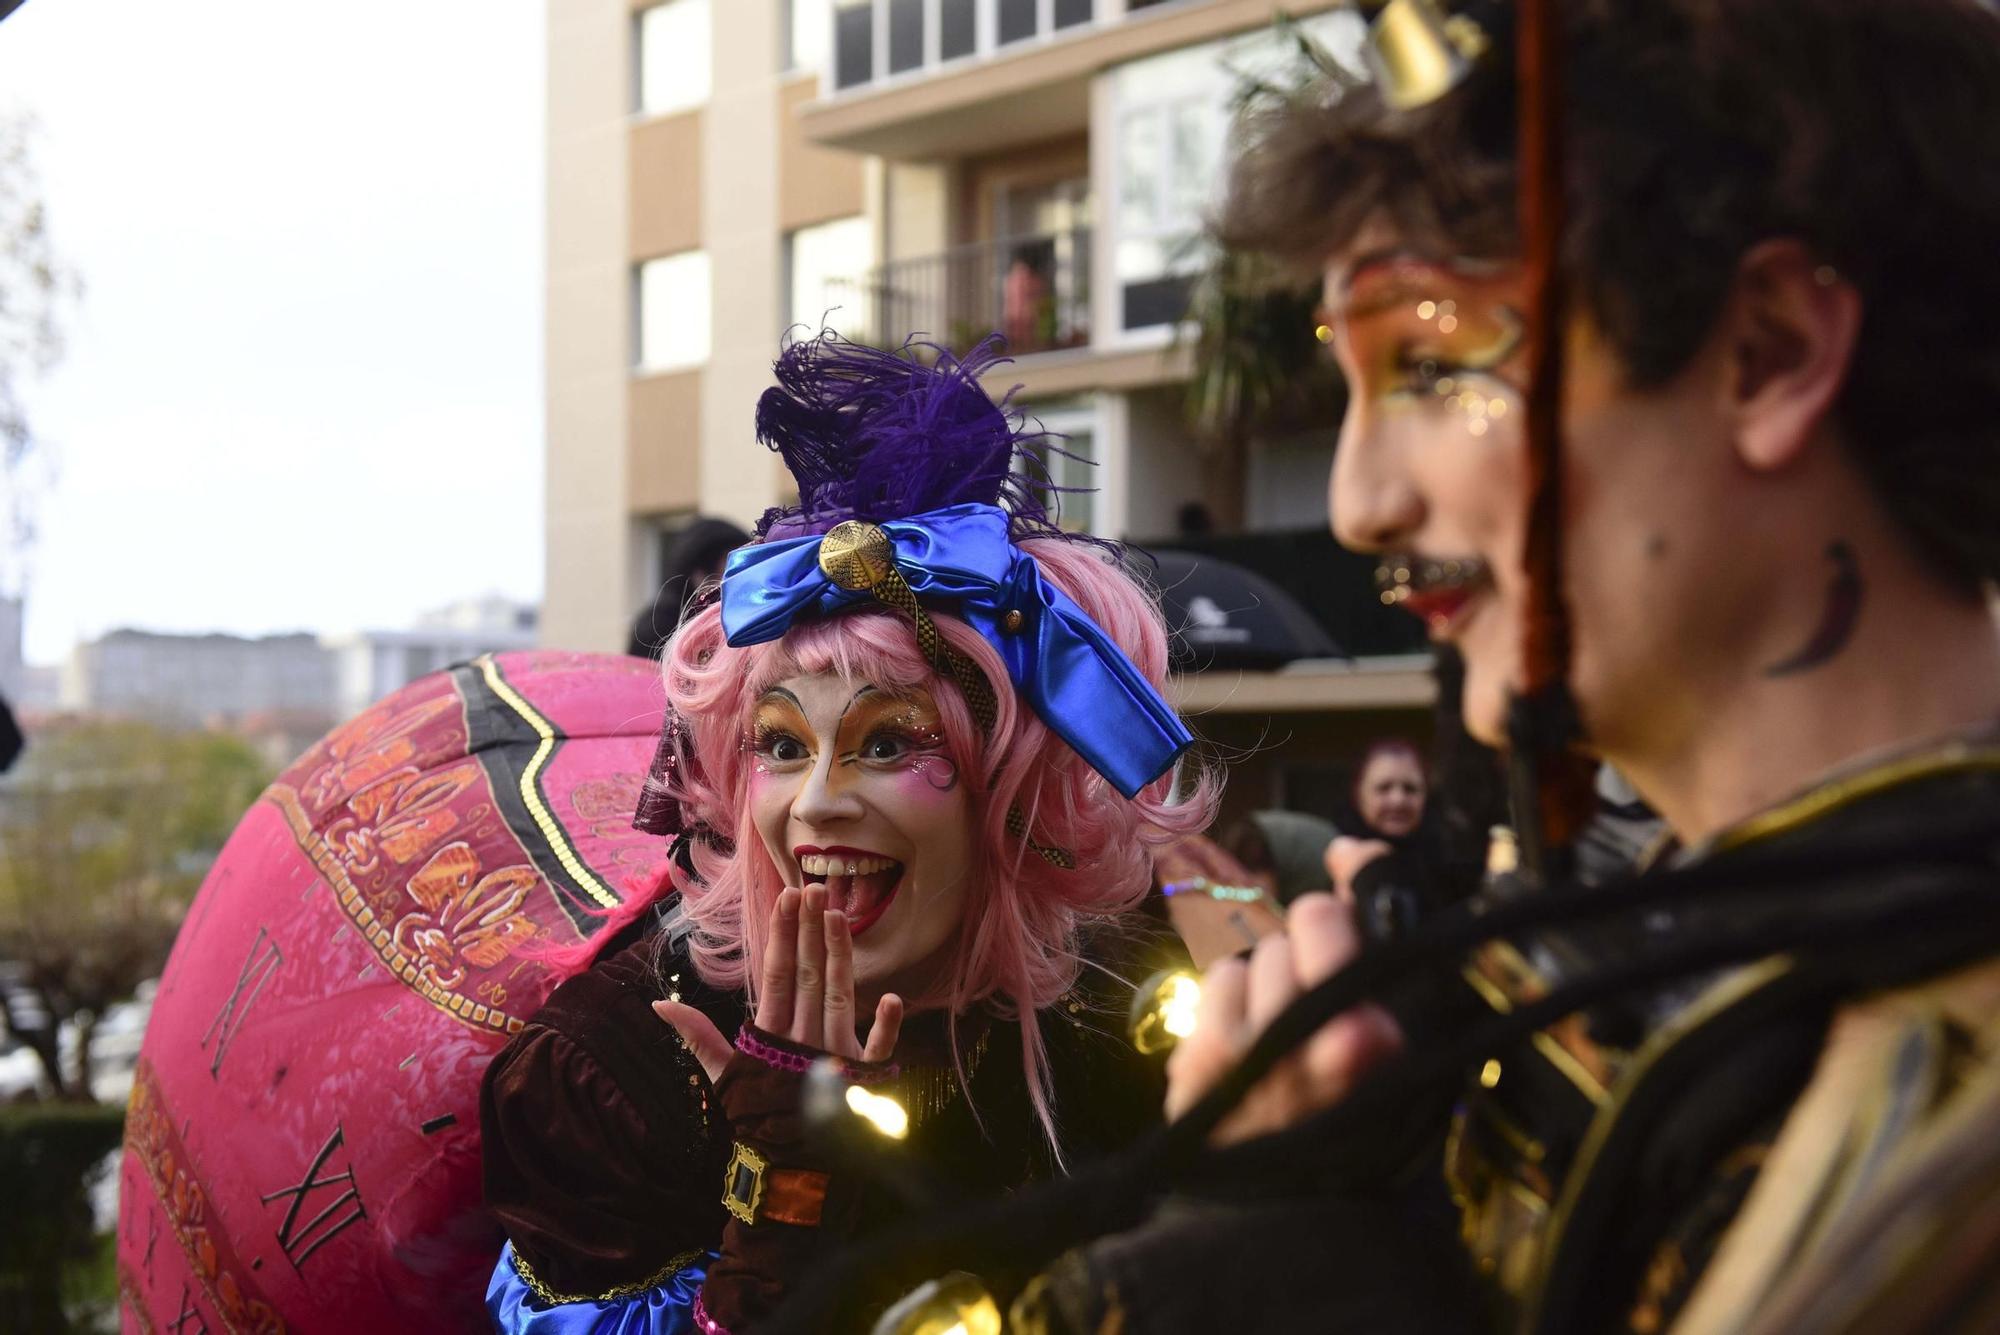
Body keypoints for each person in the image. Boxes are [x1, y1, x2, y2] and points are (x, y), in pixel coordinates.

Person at [959, 2, 2000, 1331]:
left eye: (1438, 362)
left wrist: (1277, 1267)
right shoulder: (1641, 949)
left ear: (1770, 350)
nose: (1357, 499)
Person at [480, 332, 1212, 1333]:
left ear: (1011, 787)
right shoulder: (611, 1071)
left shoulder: (1103, 1014)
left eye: (886, 743)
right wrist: (783, 1193)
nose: (815, 802)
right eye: (779, 747)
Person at [627, 516, 751, 661]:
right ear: (697, 575)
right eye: (724, 575)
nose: (730, 587)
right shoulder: (658, 627)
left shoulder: (743, 619)